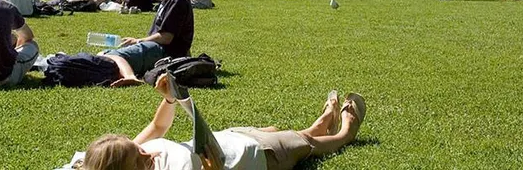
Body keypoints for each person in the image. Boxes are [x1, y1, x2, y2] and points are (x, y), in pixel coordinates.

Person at [79, 75, 365, 170]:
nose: (147, 153)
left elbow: (157, 129)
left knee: (282, 131)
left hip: (229, 136)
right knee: (308, 145)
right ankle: (345, 131)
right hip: (252, 157)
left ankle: (320, 122)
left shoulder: (124, 152)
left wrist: (169, 99)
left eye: (138, 148)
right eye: (140, 162)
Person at [103, 0, 194, 80]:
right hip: (157, 48)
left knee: (109, 58)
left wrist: (138, 41)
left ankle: (129, 77)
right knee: (104, 54)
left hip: (164, 52)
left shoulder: (178, 0)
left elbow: (166, 38)